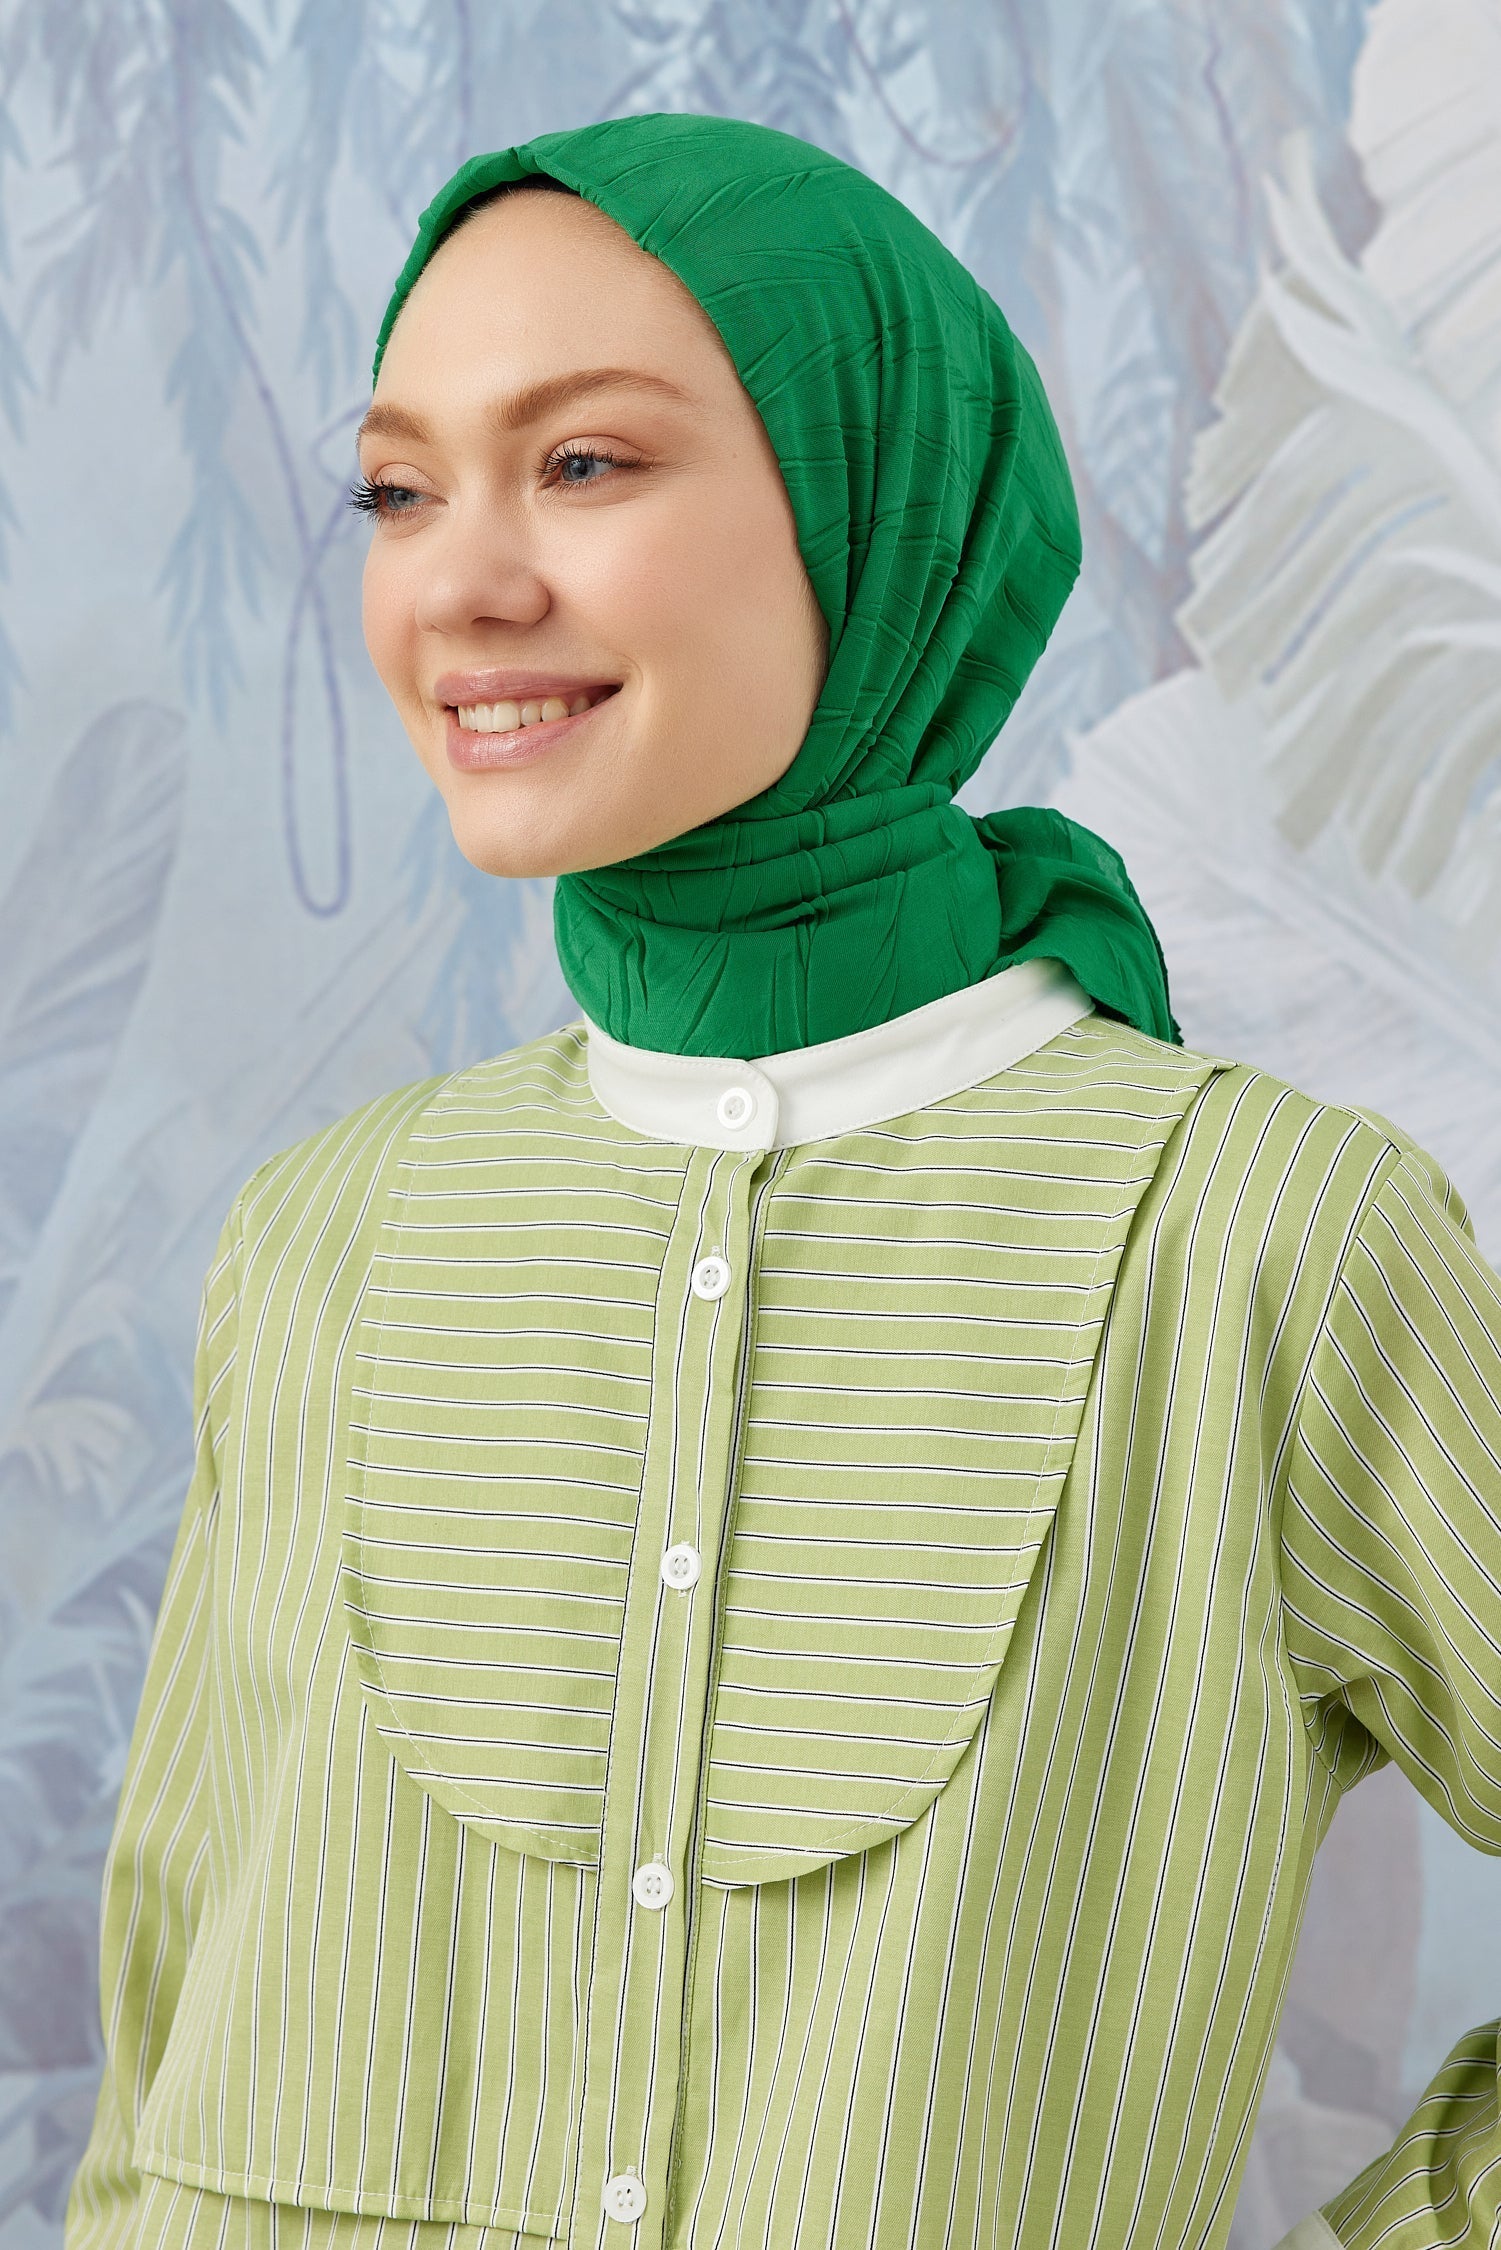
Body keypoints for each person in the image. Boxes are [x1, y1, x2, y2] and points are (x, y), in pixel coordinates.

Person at [63, 112, 1501, 2250]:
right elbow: (170, 2036)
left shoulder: (1253, 1249)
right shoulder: (325, 1240)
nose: (458, 583)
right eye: (398, 489)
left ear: (872, 507)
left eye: (582, 463)